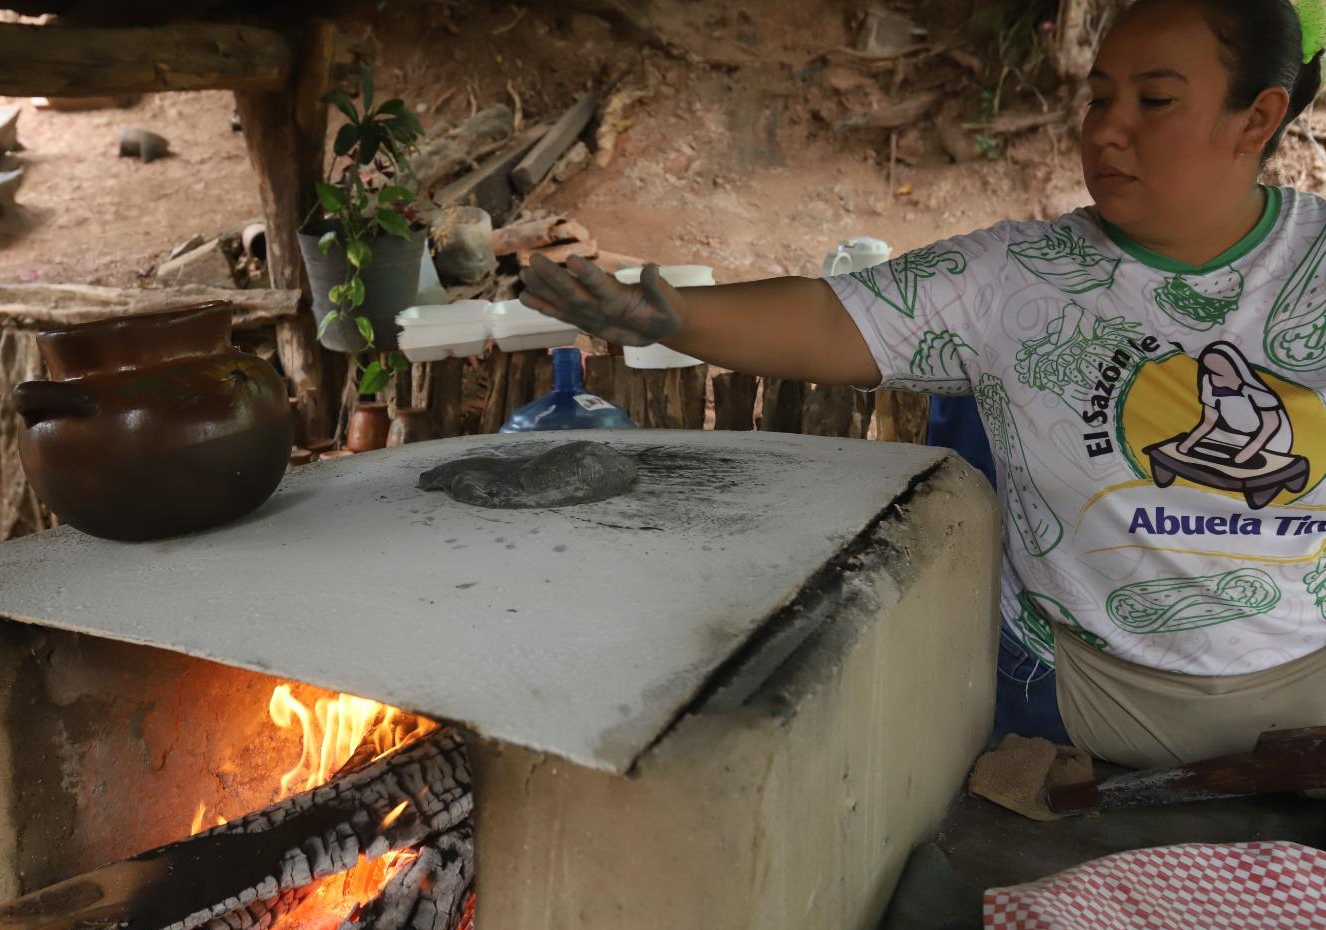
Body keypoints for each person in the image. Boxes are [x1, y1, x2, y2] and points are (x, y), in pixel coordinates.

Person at [520, 0, 1326, 769]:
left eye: (1154, 101)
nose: (1107, 131)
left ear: (1257, 119)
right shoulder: (1018, 276)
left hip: (1309, 697)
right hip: (1080, 706)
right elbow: (834, 320)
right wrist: (668, 318)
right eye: (1099, 99)